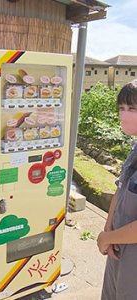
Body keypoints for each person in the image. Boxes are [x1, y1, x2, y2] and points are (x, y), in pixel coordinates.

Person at [97, 79, 137, 300]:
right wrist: (107, 231)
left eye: (132, 109)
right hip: (118, 248)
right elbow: (120, 191)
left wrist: (107, 237)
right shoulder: (134, 148)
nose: (124, 115)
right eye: (121, 108)